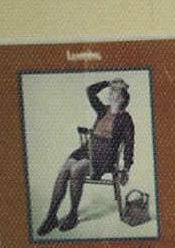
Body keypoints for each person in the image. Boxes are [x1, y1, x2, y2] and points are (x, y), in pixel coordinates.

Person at [36, 79, 134, 234]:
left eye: (113, 92)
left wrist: (126, 168)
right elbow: (90, 91)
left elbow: (129, 145)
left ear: (121, 98)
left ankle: (73, 214)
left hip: (104, 157)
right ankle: (51, 216)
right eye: (110, 91)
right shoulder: (103, 110)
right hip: (87, 149)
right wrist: (108, 83)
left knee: (77, 170)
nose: (109, 94)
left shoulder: (126, 119)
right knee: (64, 170)